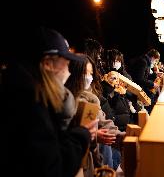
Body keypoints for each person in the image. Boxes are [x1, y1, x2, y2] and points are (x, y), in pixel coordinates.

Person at [0, 26, 98, 177]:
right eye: (65, 63)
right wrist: (82, 135)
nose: (68, 70)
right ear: (47, 63)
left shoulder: (25, 93)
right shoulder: (29, 105)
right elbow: (51, 167)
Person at [127, 48, 161, 113]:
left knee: (152, 95)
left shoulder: (145, 61)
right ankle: (149, 114)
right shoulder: (143, 62)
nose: (155, 63)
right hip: (136, 87)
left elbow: (146, 76)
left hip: (140, 86)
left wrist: (155, 74)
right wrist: (152, 84)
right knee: (151, 97)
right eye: (155, 60)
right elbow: (139, 79)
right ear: (153, 57)